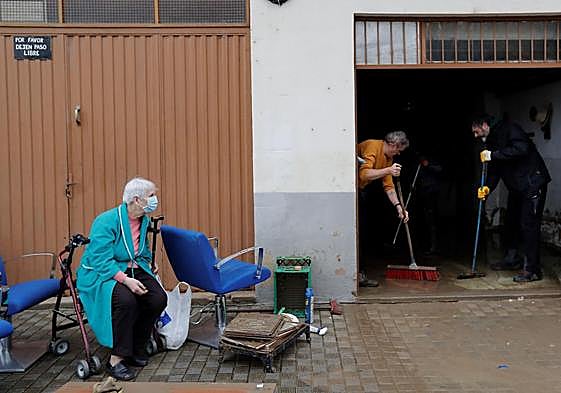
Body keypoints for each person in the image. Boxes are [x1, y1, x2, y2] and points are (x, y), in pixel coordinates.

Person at [77, 177, 167, 380]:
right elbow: (100, 260)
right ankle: (116, 360)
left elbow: (140, 249)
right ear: (137, 199)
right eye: (151, 196)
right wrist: (126, 280)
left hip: (132, 267)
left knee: (157, 298)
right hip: (101, 272)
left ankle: (136, 347)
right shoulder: (106, 221)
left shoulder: (143, 219)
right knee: (127, 301)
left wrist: (149, 264)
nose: (155, 200)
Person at [472, 114, 551, 282]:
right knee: (511, 222)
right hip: (517, 187)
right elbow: (495, 170)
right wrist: (487, 188)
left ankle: (532, 270)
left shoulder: (510, 129)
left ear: (484, 125)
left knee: (528, 226)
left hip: (532, 182)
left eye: (476, 131)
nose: (475, 135)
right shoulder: (492, 141)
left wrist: (493, 155)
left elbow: (521, 150)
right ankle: (512, 259)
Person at [357, 131, 410, 287]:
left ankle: (360, 274)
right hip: (352, 189)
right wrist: (388, 170)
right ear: (393, 144)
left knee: (365, 233)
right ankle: (358, 275)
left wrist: (399, 207)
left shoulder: (388, 158)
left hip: (361, 191)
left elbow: (388, 186)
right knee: (360, 234)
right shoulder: (373, 147)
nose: (399, 153)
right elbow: (364, 174)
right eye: (398, 150)